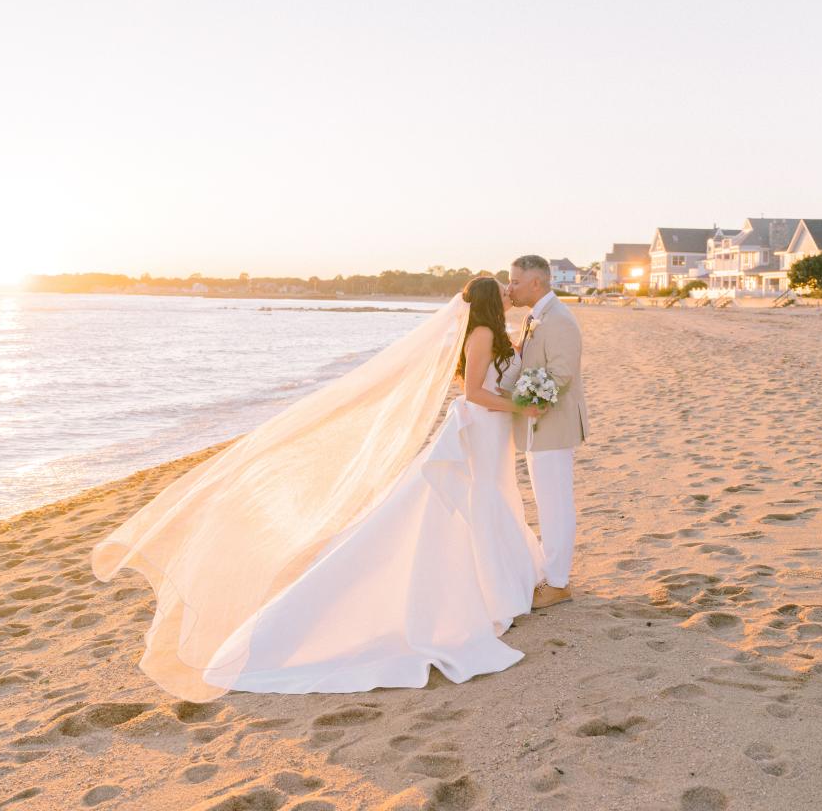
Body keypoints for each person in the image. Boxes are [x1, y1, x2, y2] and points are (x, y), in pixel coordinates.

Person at [92, 276, 547, 699]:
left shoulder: (496, 332)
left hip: (490, 433)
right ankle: (489, 589)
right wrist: (518, 406)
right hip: (480, 428)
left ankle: (503, 581)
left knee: (488, 501)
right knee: (469, 505)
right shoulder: (482, 335)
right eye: (503, 289)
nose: (510, 291)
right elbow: (472, 393)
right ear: (492, 300)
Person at [506, 254, 589, 609]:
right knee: (547, 501)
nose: (510, 288)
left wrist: (525, 402)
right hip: (538, 427)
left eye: (514, 282)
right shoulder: (535, 317)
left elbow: (561, 373)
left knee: (556, 504)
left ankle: (557, 584)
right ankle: (549, 571)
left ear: (536, 283)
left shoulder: (559, 321)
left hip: (552, 425)